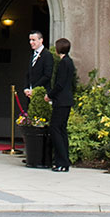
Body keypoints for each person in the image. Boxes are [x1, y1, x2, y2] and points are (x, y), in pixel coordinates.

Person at [46, 36, 75, 172]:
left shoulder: (64, 63)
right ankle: (64, 161)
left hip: (61, 101)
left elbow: (60, 83)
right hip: (66, 100)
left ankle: (61, 162)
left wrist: (50, 95)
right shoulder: (70, 62)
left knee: (55, 129)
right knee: (61, 130)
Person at [22, 29, 53, 114]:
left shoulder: (47, 55)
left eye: (33, 40)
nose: (31, 42)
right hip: (31, 95)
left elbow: (47, 75)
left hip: (42, 94)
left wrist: (34, 89)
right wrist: (26, 88)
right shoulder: (32, 55)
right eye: (30, 40)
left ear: (41, 40)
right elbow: (28, 73)